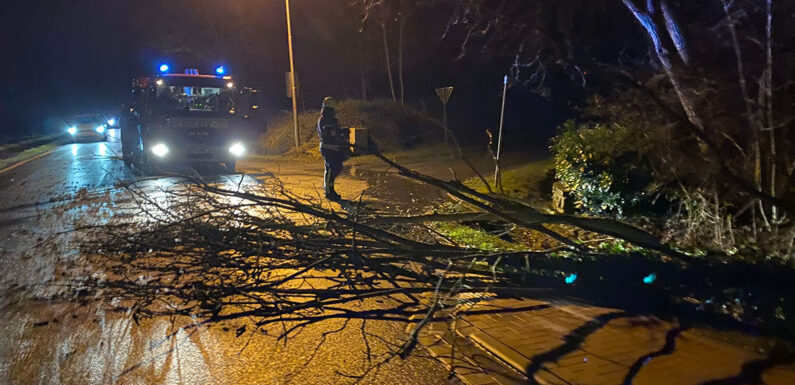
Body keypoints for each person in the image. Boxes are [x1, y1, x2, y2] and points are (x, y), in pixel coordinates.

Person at [317, 97, 349, 201]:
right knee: (331, 169)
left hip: (334, 148)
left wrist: (342, 132)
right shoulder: (324, 120)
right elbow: (328, 133)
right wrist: (338, 133)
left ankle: (329, 188)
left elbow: (335, 131)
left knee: (335, 168)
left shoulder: (332, 120)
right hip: (328, 148)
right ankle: (329, 191)